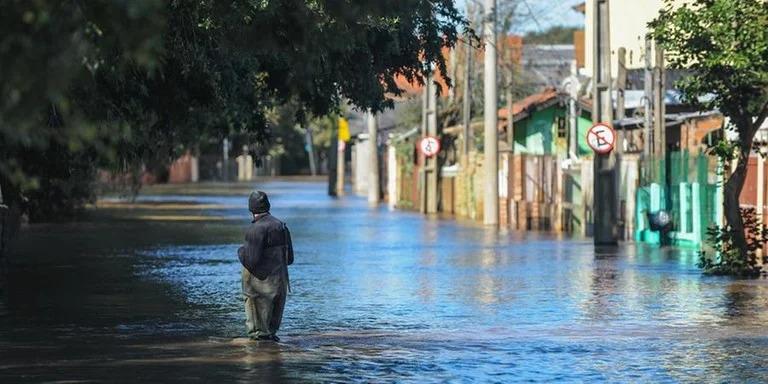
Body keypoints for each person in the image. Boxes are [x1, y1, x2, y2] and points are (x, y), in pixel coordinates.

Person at [238, 191, 293, 341]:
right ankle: (272, 345)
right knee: (270, 332)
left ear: (251, 209)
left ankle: (260, 349)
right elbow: (289, 259)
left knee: (259, 335)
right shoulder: (282, 227)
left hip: (259, 288)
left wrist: (240, 251)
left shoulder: (255, 229)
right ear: (268, 206)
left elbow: (251, 261)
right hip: (279, 284)